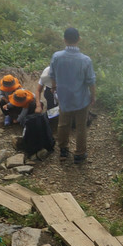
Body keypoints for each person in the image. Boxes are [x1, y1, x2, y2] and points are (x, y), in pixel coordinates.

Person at [49, 26, 96, 163]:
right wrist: (93, 96)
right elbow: (91, 81)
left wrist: (54, 88)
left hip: (64, 97)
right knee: (81, 126)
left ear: (64, 40)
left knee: (63, 124)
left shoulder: (57, 57)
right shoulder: (85, 60)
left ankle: (63, 150)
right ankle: (79, 154)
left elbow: (52, 75)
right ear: (79, 39)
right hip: (81, 98)